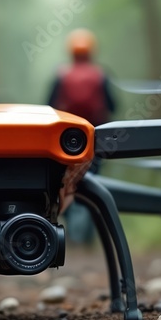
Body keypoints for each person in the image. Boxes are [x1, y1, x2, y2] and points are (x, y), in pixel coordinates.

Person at [47, 28, 116, 246]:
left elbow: (49, 105)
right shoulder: (100, 75)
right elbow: (113, 105)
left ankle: (72, 234)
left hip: (65, 140)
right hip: (96, 138)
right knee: (94, 182)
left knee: (65, 183)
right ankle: (88, 236)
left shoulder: (61, 74)